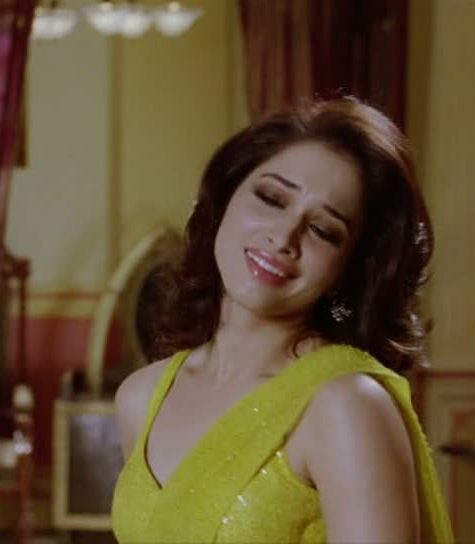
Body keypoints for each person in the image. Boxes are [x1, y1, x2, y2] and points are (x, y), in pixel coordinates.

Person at [111, 97, 454, 544]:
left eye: (323, 230)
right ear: (223, 200)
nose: (283, 237)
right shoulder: (141, 398)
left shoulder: (345, 407)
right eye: (272, 199)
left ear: (347, 269)